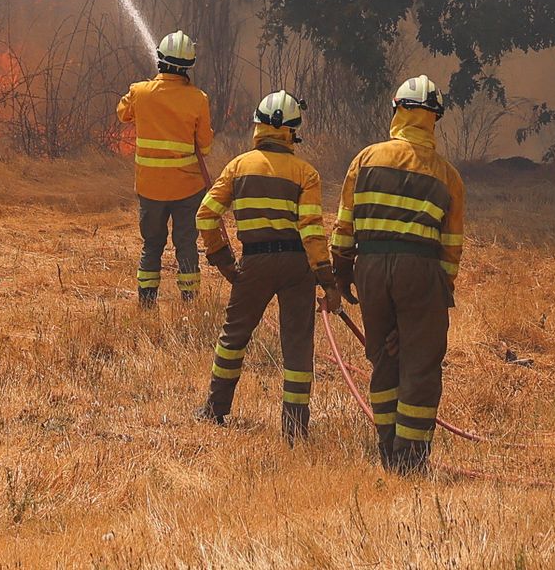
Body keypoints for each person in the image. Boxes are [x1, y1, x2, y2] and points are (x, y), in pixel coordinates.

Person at [328, 74, 465, 469]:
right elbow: (451, 246)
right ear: (434, 118)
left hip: (369, 269)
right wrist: (437, 294)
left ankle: (388, 449)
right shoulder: (447, 176)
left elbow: (344, 224)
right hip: (420, 271)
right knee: (419, 364)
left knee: (383, 360)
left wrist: (342, 272)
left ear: (397, 111)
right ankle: (411, 459)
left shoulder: (366, 159)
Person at [196, 90, 330, 438]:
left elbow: (206, 215)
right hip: (297, 266)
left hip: (254, 262)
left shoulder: (238, 166)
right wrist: (325, 275)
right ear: (292, 132)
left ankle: (215, 409)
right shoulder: (306, 173)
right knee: (298, 345)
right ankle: (295, 429)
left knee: (234, 336)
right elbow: (312, 230)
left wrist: (223, 260)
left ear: (258, 125)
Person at [112, 30, 215, 308]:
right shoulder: (198, 98)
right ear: (189, 65)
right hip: (188, 189)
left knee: (152, 244)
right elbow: (205, 146)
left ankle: (147, 303)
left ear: (159, 60)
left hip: (151, 188)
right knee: (186, 244)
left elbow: (122, 113)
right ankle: (190, 302)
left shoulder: (140, 92)